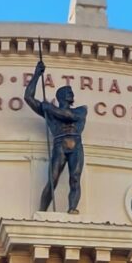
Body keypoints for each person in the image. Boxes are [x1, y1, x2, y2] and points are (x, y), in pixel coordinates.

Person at [24, 60, 87, 214]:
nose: (72, 95)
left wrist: (48, 107)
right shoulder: (50, 113)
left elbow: (68, 115)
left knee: (75, 178)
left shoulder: (81, 110)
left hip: (75, 145)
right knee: (53, 180)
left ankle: (72, 208)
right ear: (61, 96)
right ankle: (42, 211)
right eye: (68, 93)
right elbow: (28, 98)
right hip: (60, 145)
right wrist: (37, 75)